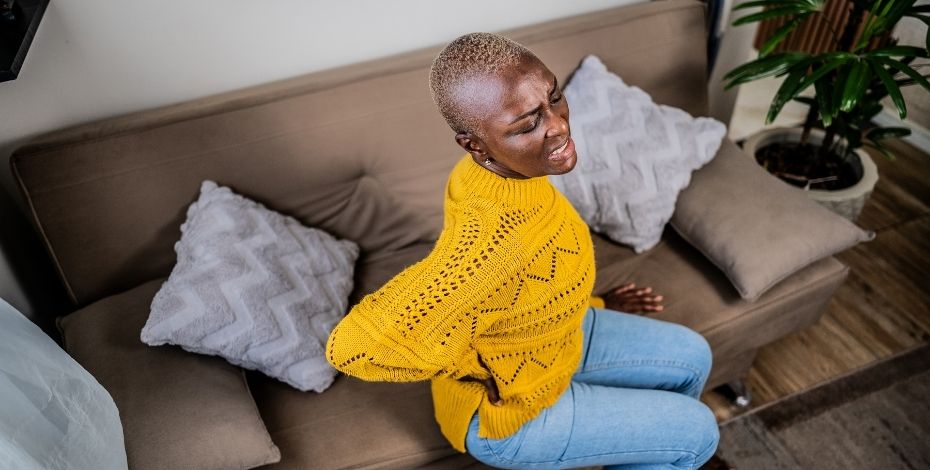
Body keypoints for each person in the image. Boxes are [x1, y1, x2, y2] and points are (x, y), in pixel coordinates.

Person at [326, 32, 723, 469]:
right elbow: (352, 347)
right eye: (527, 125)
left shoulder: (489, 174)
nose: (559, 125)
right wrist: (470, 367)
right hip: (511, 417)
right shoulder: (489, 244)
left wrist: (593, 303)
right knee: (697, 433)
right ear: (475, 145)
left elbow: (523, 284)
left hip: (554, 339)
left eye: (554, 98)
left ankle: (651, 452)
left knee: (693, 357)